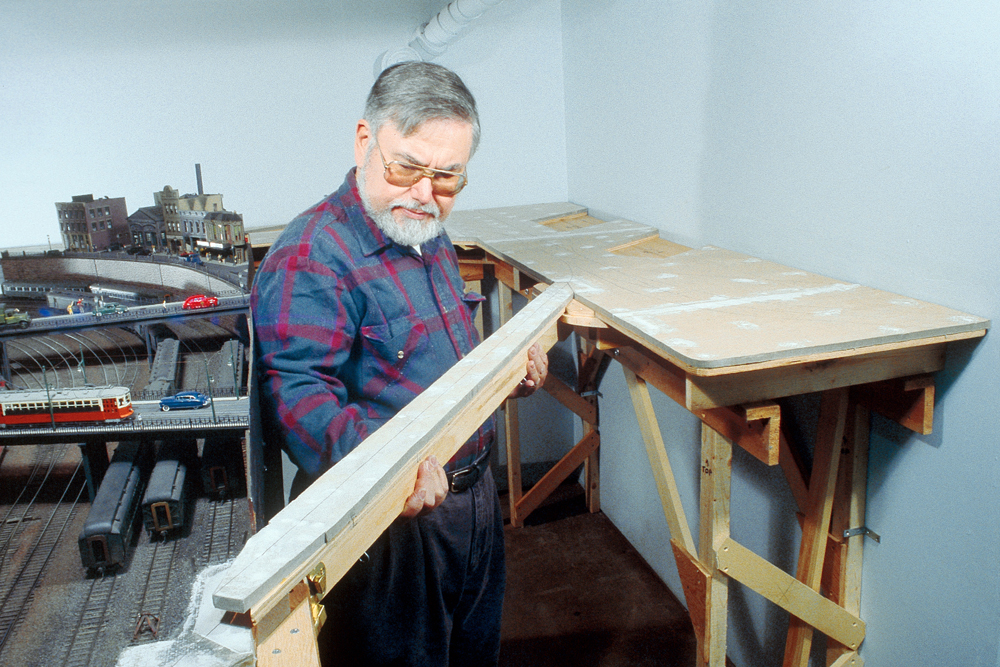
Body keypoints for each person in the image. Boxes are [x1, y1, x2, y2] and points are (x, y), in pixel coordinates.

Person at [250, 61, 548, 666]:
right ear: (365, 141)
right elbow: (298, 398)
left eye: (447, 177)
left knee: (472, 654)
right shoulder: (311, 255)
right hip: (391, 533)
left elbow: (443, 357)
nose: (423, 193)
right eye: (407, 166)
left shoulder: (424, 229)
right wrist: (392, 469)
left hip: (472, 505)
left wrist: (503, 373)